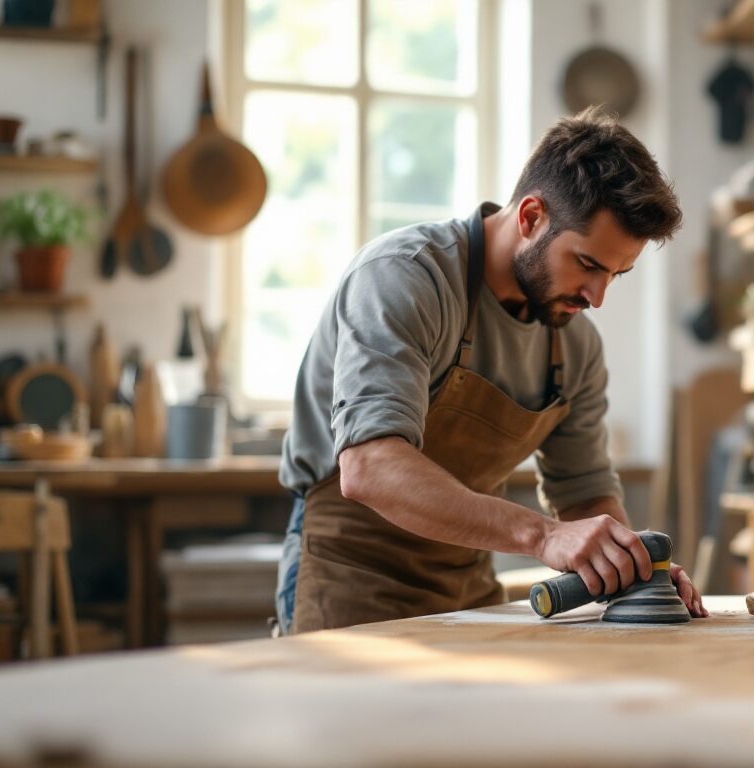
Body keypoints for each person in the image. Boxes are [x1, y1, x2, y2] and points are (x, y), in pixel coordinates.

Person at [274, 108, 706, 634]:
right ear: (530, 218)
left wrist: (631, 565)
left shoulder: (576, 343)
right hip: (347, 573)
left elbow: (583, 490)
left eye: (617, 274)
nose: (597, 297)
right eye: (589, 265)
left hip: (465, 582)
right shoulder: (405, 278)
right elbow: (369, 467)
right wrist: (543, 537)